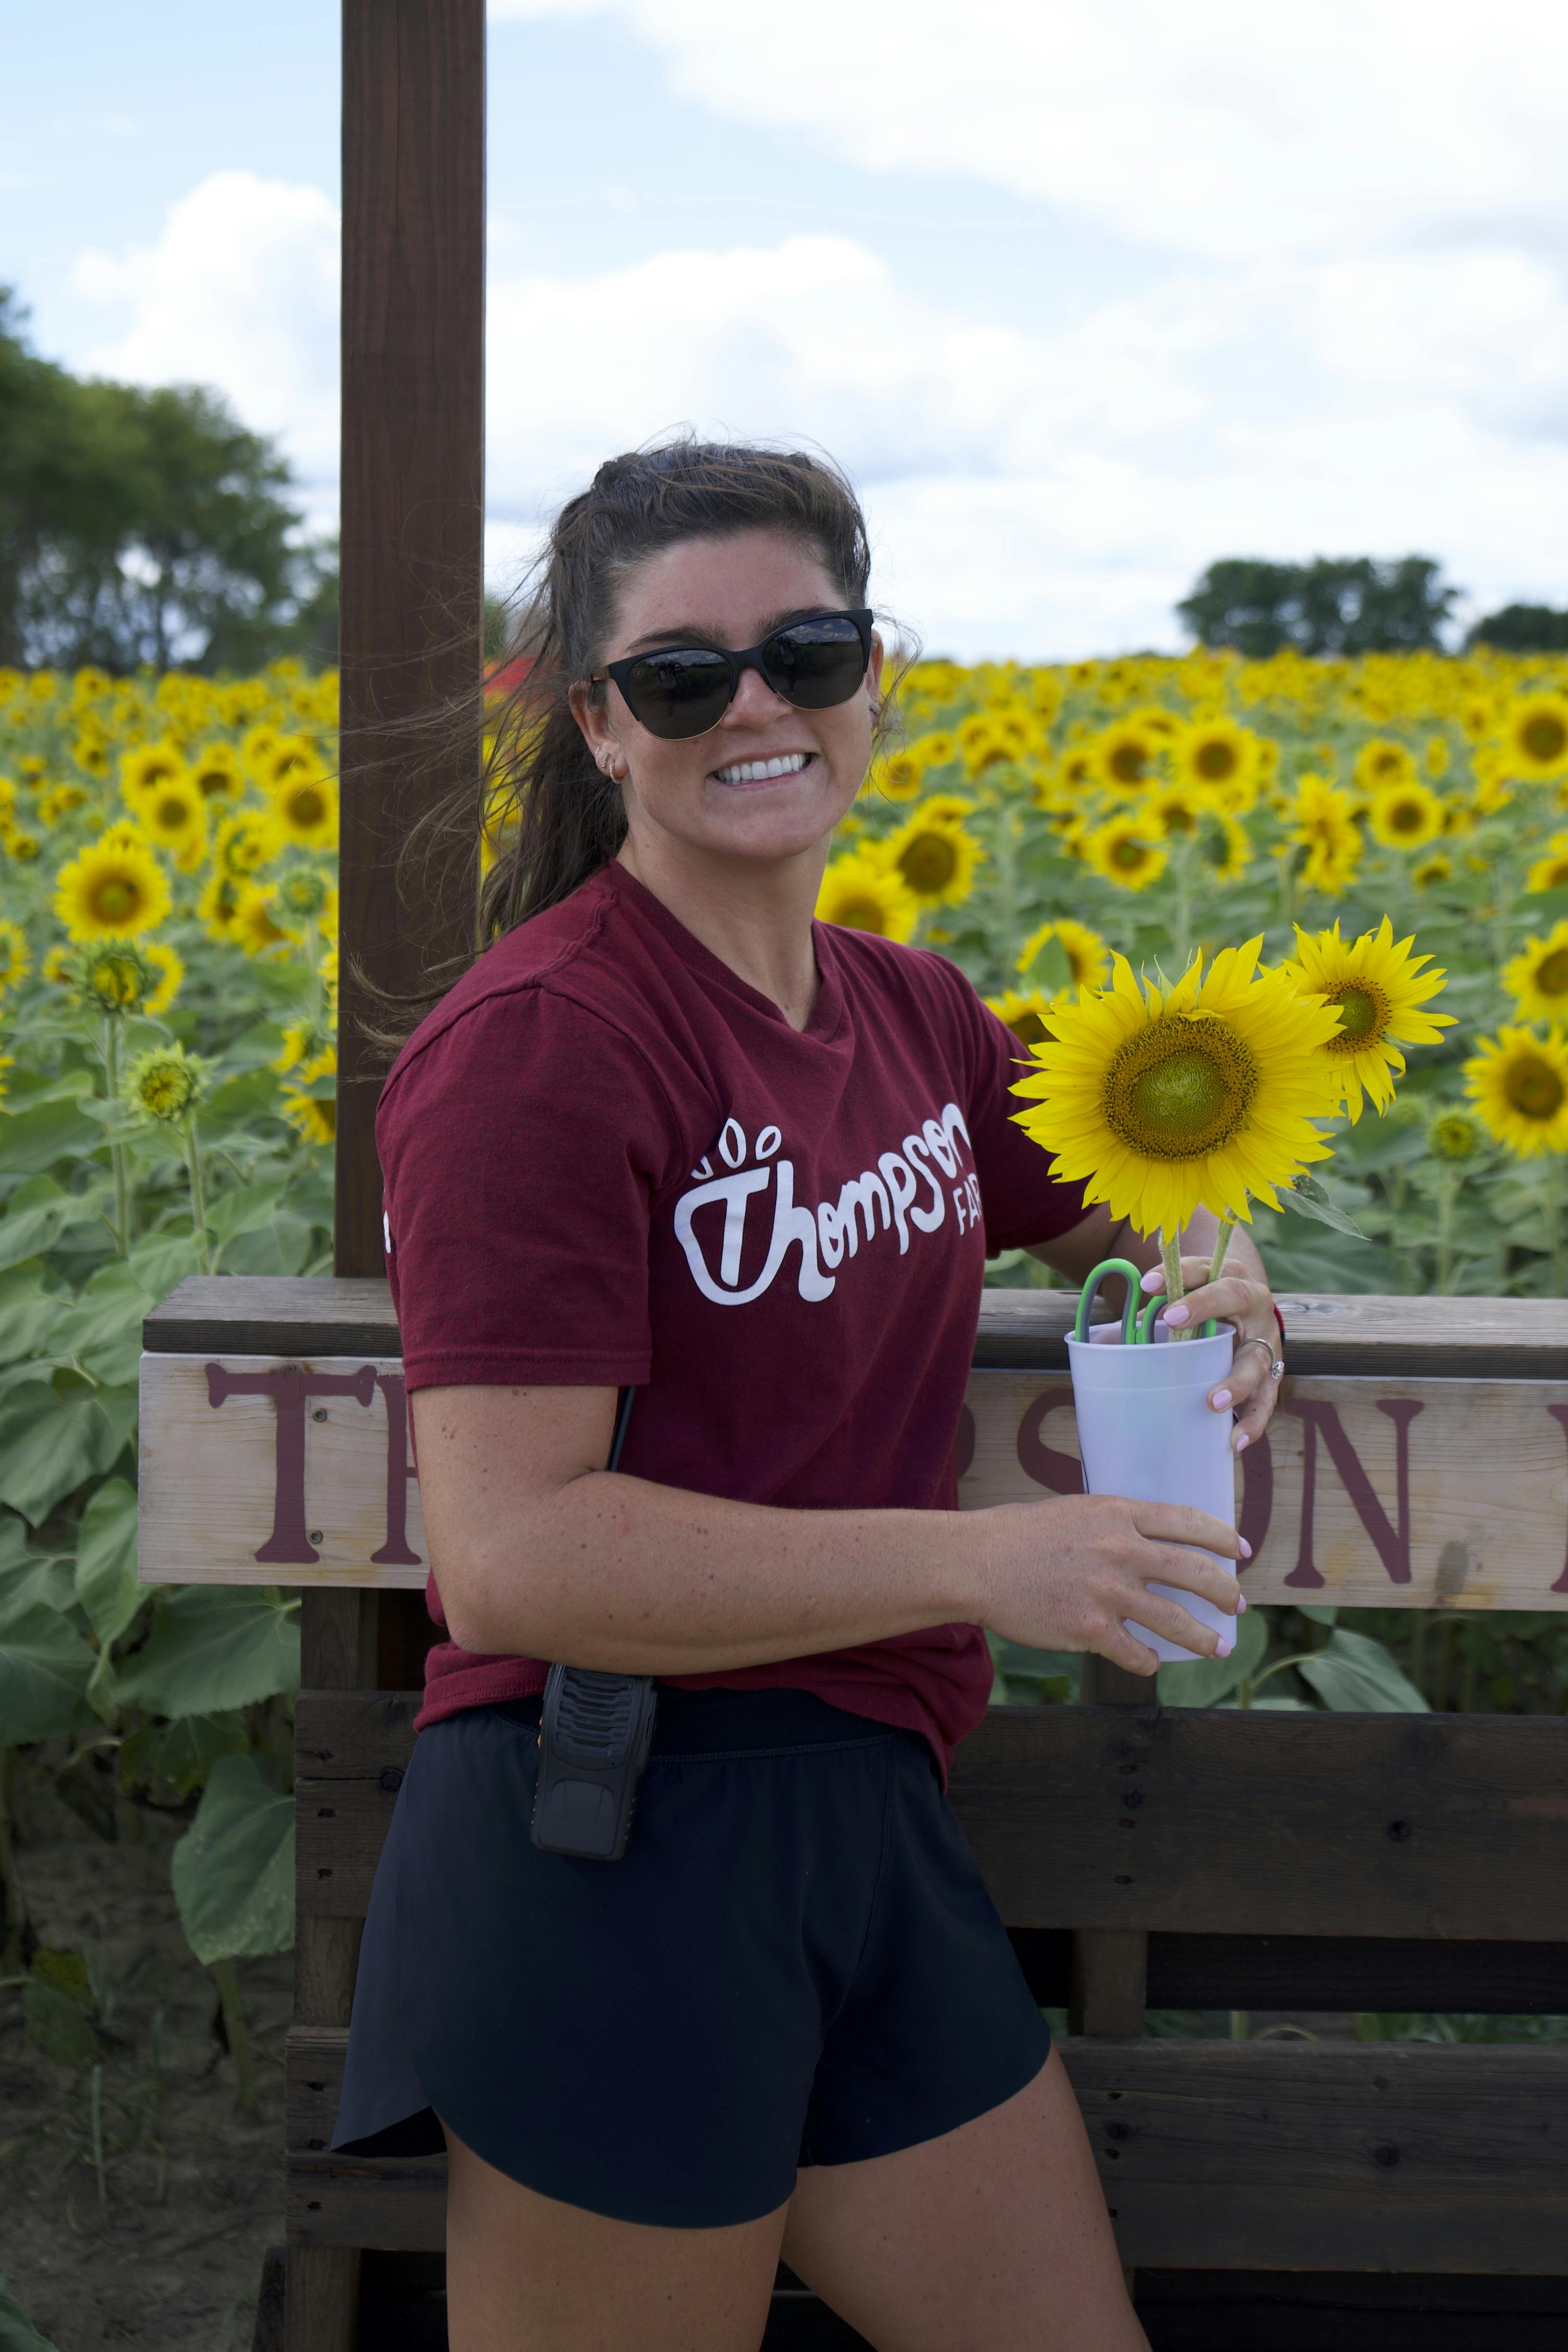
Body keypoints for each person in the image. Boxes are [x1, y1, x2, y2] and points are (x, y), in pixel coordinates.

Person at [332, 440, 1285, 2352]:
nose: (755, 705)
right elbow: (514, 1557)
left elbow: (1127, 1167)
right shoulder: (541, 1051)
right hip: (612, 1824)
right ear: (601, 728)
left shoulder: (912, 1010)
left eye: (807, 650)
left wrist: (1221, 1256)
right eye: (684, 676)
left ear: (876, 680)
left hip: (867, 1815)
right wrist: (988, 1563)